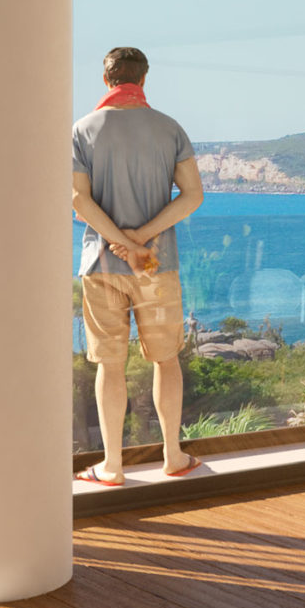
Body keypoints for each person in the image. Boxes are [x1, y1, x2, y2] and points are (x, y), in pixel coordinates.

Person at [71, 46, 204, 485]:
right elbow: (192, 196)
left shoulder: (83, 130)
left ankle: (111, 466)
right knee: (165, 360)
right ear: (143, 80)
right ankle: (173, 456)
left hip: (101, 265)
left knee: (110, 365)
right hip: (156, 265)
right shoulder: (169, 129)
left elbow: (78, 200)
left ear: (107, 80)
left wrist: (119, 242)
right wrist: (142, 240)